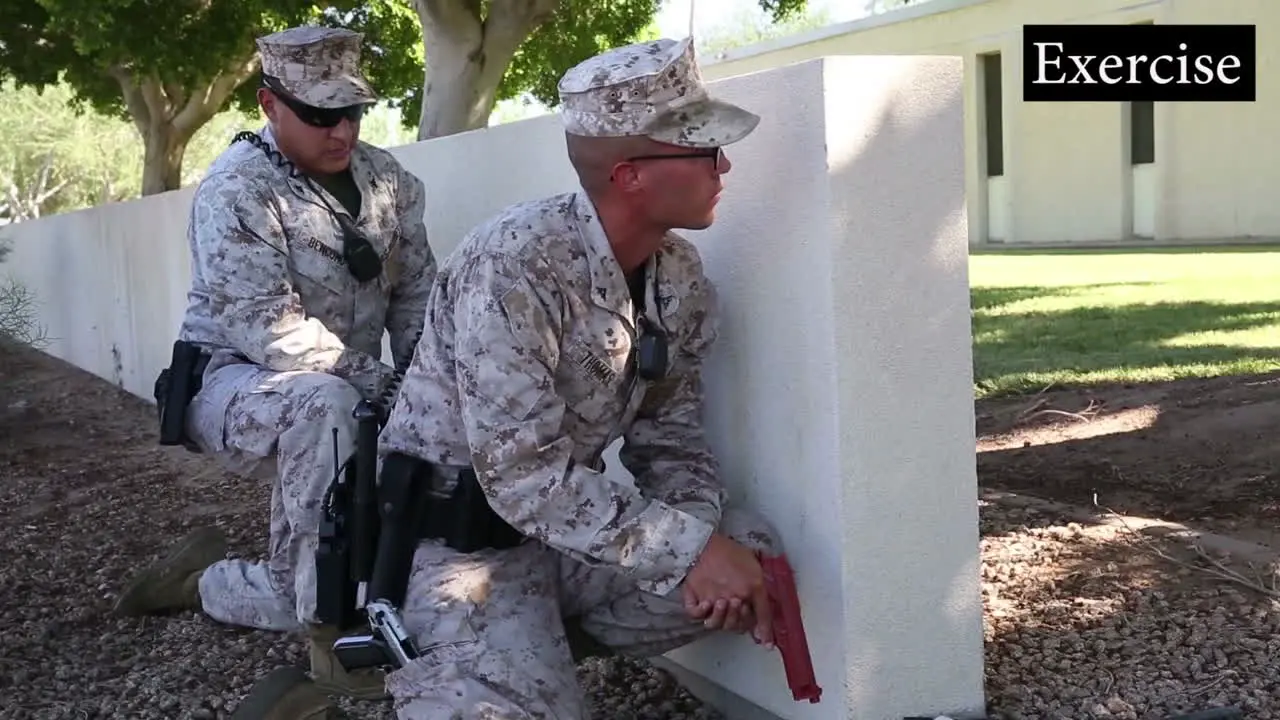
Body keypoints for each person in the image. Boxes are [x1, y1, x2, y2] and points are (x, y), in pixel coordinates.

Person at [231, 35, 783, 719]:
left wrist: (695, 544)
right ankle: (439, 662)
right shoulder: (515, 264)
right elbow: (522, 476)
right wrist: (686, 551)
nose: (724, 164)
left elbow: (671, 444)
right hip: (455, 560)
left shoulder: (679, 281)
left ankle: (522, 653)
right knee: (697, 560)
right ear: (630, 175)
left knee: (751, 551)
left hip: (557, 543)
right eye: (703, 150)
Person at [112, 25, 438, 701]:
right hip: (232, 382)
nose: (341, 130)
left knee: (389, 418)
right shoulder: (237, 189)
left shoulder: (391, 183)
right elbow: (269, 329)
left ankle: (226, 579)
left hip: (337, 385)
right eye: (320, 115)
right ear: (269, 105)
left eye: (352, 111)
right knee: (329, 407)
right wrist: (384, 383)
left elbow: (416, 299)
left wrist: (431, 389)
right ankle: (328, 645)